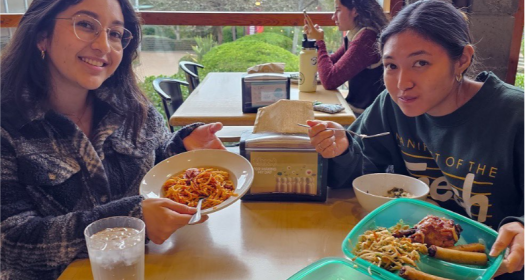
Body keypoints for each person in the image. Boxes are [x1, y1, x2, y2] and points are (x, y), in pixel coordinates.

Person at [0, 0, 225, 279]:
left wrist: (182, 150)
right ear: (41, 35)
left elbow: (154, 168)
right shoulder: (7, 124)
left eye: (115, 33)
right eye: (85, 24)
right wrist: (132, 221)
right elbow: (11, 241)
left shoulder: (133, 108)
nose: (104, 46)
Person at [305, 1, 525, 279]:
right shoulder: (392, 106)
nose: (402, 83)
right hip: (412, 263)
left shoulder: (515, 115)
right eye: (391, 65)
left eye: (421, 63)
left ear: (463, 59)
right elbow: (363, 172)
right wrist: (342, 150)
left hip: (498, 268)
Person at [303, 0, 388, 115]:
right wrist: (315, 41)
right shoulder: (357, 34)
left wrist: (319, 42)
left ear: (355, 11)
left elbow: (329, 80)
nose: (333, 17)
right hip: (357, 110)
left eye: (338, 10)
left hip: (366, 116)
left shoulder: (367, 38)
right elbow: (329, 64)